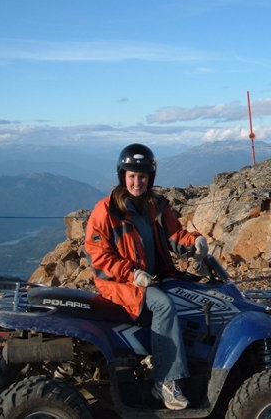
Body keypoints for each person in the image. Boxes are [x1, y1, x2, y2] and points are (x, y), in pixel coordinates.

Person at [84, 143, 209, 410]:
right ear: (122, 176)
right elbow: (97, 257)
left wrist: (195, 242)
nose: (137, 182)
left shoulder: (156, 205)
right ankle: (166, 381)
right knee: (164, 305)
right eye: (131, 176)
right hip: (119, 283)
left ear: (149, 178)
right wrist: (130, 273)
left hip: (151, 276)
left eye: (142, 176)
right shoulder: (105, 211)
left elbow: (176, 234)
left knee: (193, 298)